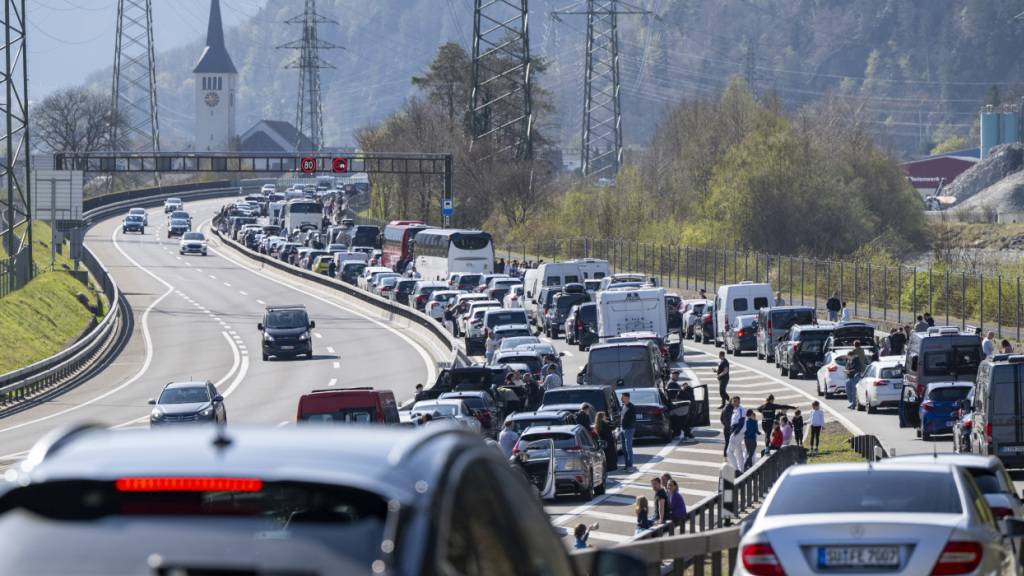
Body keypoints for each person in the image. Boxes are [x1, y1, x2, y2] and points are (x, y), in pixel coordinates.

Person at [726, 396, 747, 470]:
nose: (734, 402)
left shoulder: (741, 409)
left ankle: (736, 470)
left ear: (739, 401)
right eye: (733, 401)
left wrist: (735, 433)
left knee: (729, 452)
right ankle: (741, 469)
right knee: (738, 452)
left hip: (737, 433)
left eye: (736, 401)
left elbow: (741, 422)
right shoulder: (736, 409)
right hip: (737, 432)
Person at [620, 392, 636, 471]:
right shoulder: (623, 406)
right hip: (622, 429)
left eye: (622, 397)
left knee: (628, 448)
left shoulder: (631, 407)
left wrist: (626, 427)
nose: (621, 398)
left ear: (627, 398)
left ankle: (630, 466)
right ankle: (627, 465)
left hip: (628, 429)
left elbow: (632, 420)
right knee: (624, 448)